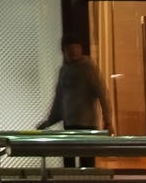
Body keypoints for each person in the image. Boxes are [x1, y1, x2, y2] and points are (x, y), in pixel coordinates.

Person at [36, 39, 108, 168]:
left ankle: (85, 181)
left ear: (81, 49)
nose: (73, 51)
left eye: (76, 47)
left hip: (87, 125)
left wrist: (108, 121)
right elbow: (59, 99)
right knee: (69, 161)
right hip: (69, 124)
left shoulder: (89, 68)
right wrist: (49, 122)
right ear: (64, 51)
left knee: (86, 164)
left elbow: (102, 94)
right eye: (70, 48)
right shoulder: (64, 70)